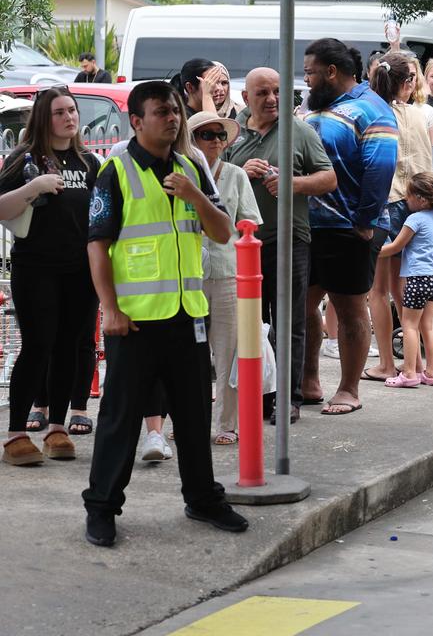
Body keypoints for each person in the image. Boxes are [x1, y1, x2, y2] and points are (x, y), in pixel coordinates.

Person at [82, 81, 247, 547]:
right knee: (120, 416)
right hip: (133, 321)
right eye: (161, 112)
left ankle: (203, 498)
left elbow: (221, 232)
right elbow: (98, 247)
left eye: (175, 111)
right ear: (136, 121)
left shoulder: (191, 166)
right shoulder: (116, 171)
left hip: (187, 315)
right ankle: (102, 507)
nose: (173, 119)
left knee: (194, 415)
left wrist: (196, 195)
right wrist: (108, 310)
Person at [225, 68, 336, 423]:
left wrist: (292, 183)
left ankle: (289, 398)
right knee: (248, 324)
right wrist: (242, 166)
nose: (272, 99)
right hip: (241, 245)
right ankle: (257, 397)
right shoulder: (231, 132)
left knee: (288, 322)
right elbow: (214, 173)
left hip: (288, 240)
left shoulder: (299, 131)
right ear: (246, 99)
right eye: (263, 93)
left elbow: (328, 177)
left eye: (278, 92)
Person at [0, 88, 101, 466]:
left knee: (68, 348)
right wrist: (33, 187)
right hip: (35, 268)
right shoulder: (25, 158)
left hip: (80, 270)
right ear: (45, 119)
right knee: (38, 346)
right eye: (59, 112)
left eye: (72, 110)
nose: (69, 117)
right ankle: (16, 435)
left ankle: (57, 427)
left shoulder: (89, 162)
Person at [301, 38, 398, 415]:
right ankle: (309, 380)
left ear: (331, 72)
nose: (306, 79)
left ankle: (349, 388)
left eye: (310, 72)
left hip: (351, 227)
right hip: (309, 224)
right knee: (306, 304)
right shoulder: (314, 106)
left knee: (349, 306)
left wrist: (365, 221)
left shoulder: (371, 109)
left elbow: (380, 168)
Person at [188, 110, 261, 446]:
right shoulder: (183, 174)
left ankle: (225, 423)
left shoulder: (235, 175)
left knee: (228, 351)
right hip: (188, 272)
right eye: (207, 135)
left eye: (220, 135)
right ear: (192, 140)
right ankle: (189, 418)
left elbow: (249, 221)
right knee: (191, 353)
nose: (215, 141)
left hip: (229, 271)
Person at [364, 53, 433, 383]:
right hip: (420, 206)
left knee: (377, 291)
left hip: (386, 203)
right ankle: (416, 363)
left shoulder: (372, 114)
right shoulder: (421, 115)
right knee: (402, 288)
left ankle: (388, 364)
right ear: (408, 83)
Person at [377, 172, 433, 387]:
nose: (406, 200)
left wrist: (371, 252)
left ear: (421, 199)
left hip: (417, 278)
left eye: (409, 196)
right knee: (428, 327)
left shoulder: (414, 219)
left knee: (409, 326)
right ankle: (432, 373)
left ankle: (409, 374)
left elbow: (396, 247)